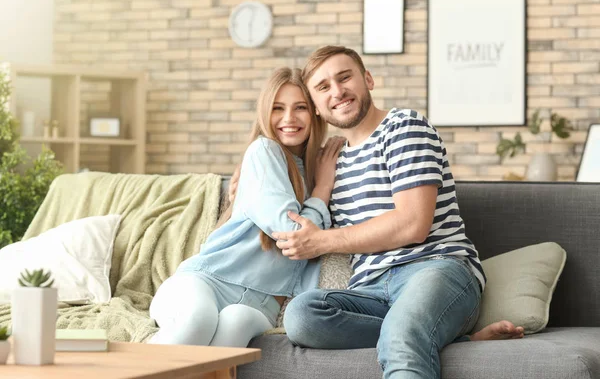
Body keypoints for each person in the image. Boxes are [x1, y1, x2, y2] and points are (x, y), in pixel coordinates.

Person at [230, 46, 524, 378]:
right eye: (323, 87)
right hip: (369, 290)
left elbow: (412, 224)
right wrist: (251, 168)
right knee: (304, 317)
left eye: (345, 78)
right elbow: (288, 202)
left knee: (403, 332)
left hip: (433, 270)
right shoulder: (332, 160)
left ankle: (414, 333)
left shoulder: (403, 126)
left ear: (367, 79)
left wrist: (323, 241)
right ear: (315, 106)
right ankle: (450, 337)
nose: (337, 91)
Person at [148, 67, 344, 348]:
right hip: (209, 282)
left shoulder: (320, 166)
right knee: (199, 320)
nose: (289, 118)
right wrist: (322, 190)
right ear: (265, 112)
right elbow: (291, 232)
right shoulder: (264, 151)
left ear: (314, 111)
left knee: (233, 328)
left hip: (262, 305)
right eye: (278, 108)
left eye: (300, 107)